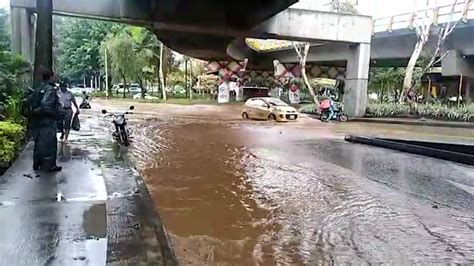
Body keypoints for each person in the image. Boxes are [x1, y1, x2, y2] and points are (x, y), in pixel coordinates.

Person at [32, 68, 62, 172]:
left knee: (39, 141)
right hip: (47, 119)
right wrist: (54, 114)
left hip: (37, 120)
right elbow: (46, 104)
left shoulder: (39, 88)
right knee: (50, 143)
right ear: (51, 77)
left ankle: (37, 163)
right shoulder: (49, 89)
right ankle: (49, 165)